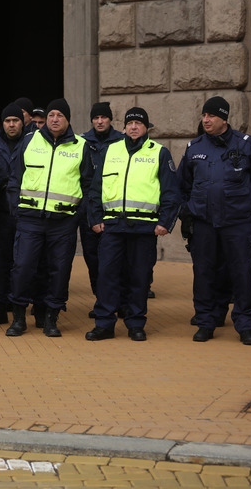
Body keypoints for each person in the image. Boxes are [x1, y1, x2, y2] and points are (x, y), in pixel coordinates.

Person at [86, 107, 180, 341]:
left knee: (139, 278)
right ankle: (104, 324)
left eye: (139, 123)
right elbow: (96, 189)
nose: (134, 127)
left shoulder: (159, 153)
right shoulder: (110, 151)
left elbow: (171, 192)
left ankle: (136, 323)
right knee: (107, 276)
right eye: (130, 123)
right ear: (124, 127)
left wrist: (165, 222)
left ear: (146, 127)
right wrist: (95, 218)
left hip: (144, 228)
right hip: (113, 226)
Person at [5, 98, 94, 337]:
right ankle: (19, 318)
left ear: (68, 120)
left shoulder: (80, 146)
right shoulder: (29, 141)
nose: (55, 119)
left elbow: (88, 185)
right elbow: (15, 178)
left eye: (60, 116)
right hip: (30, 219)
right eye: (52, 115)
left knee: (59, 270)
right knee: (23, 268)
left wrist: (77, 216)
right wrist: (17, 209)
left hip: (63, 222)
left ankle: (52, 318)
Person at [178, 96, 251, 345]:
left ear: (224, 118)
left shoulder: (246, 145)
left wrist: (241, 206)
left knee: (242, 273)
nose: (206, 120)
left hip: (237, 224)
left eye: (211, 116)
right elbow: (183, 185)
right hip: (204, 224)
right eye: (204, 115)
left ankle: (245, 323)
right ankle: (206, 321)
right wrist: (188, 211)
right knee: (204, 273)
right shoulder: (195, 147)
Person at [79, 102, 125, 319]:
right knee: (92, 257)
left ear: (110, 119)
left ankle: (120, 300)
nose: (99, 121)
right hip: (88, 208)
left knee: (118, 258)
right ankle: (102, 300)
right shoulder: (81, 142)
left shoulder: (122, 141)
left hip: (115, 209)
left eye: (103, 118)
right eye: (96, 117)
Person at [0, 102, 27, 326]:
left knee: (25, 263)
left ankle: (23, 306)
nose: (11, 125)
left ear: (22, 122)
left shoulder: (32, 145)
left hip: (26, 215)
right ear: (3, 124)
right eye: (8, 121)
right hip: (1, 215)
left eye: (15, 121)